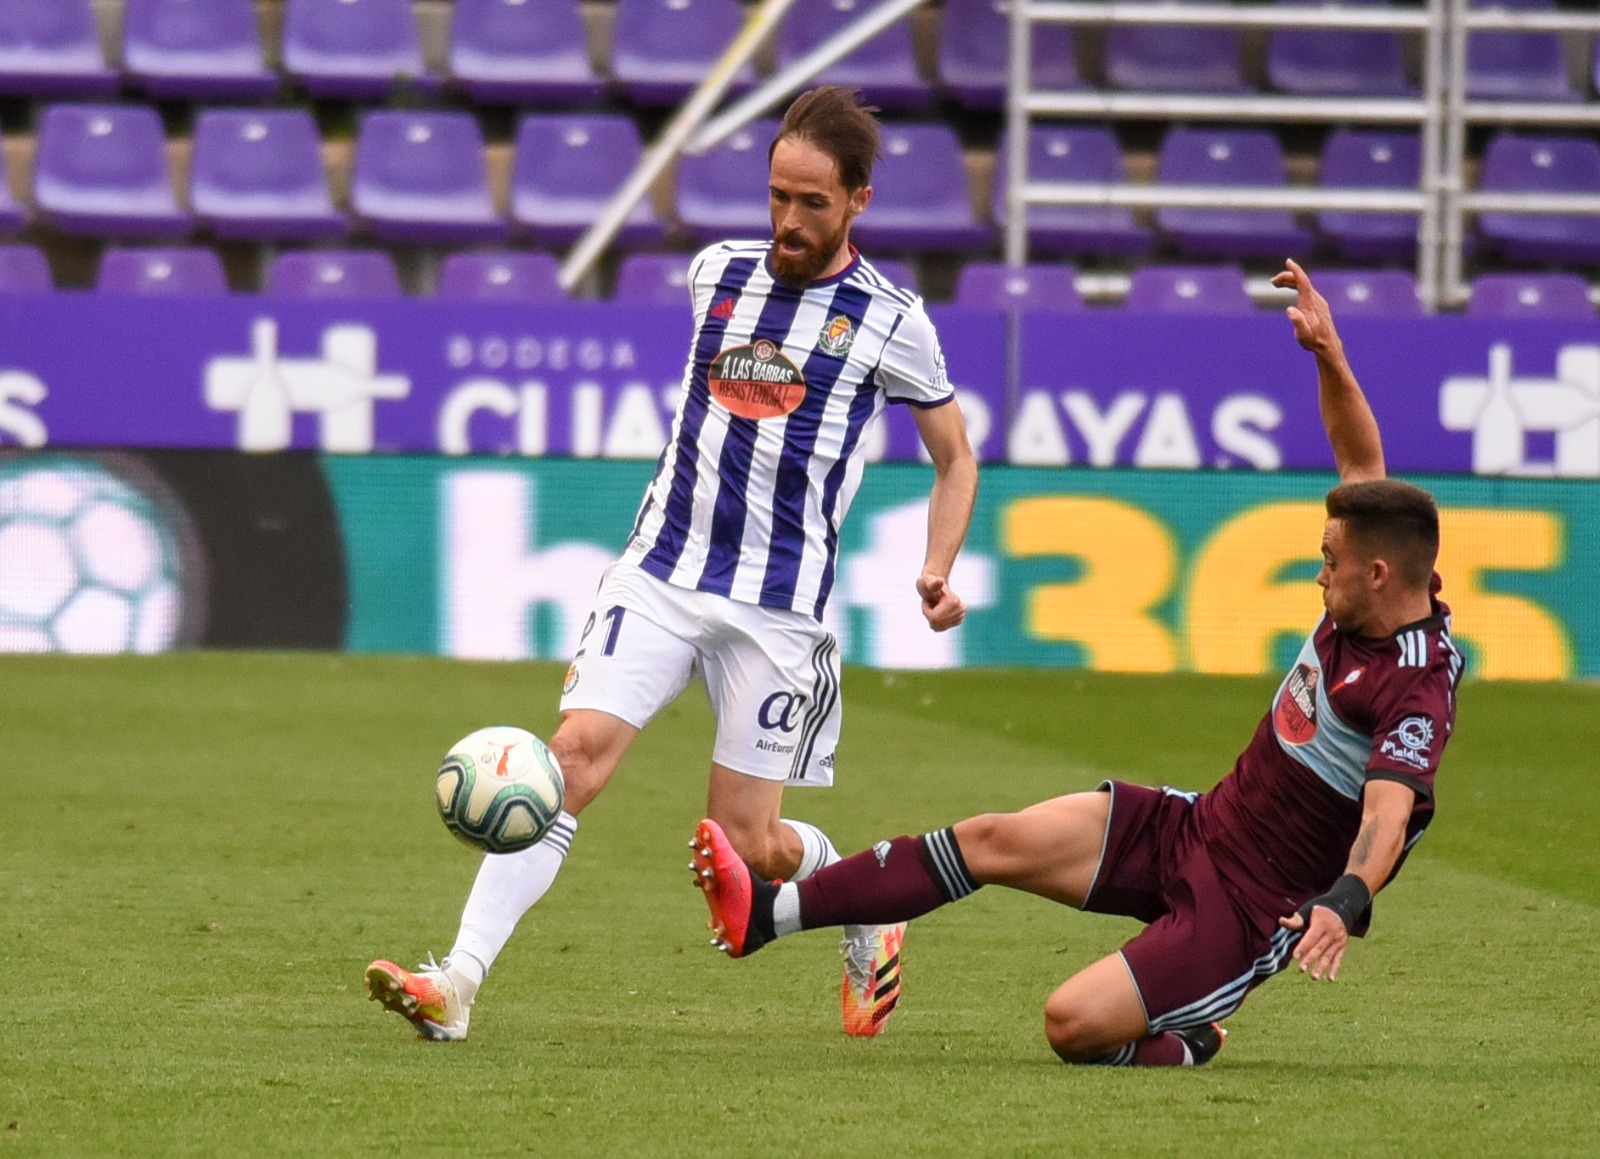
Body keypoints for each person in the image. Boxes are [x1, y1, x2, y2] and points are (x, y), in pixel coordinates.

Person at [690, 259, 1464, 1062]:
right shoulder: (1377, 578)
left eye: (1329, 560)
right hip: (1197, 825)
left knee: (1071, 1024)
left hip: (1250, 907)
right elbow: (1359, 464)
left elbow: (1386, 815)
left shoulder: (1415, 686)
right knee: (990, 837)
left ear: (1379, 574)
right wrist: (1328, 352)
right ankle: (763, 917)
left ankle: (1189, 1038)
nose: (1318, 571)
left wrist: (1343, 902)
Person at [366, 86, 978, 1041]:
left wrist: (938, 566)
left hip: (777, 613)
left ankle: (867, 901)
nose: (788, 219)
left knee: (750, 842)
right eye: (778, 195)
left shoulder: (892, 320)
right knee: (569, 763)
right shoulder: (716, 274)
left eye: (813, 202)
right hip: (659, 574)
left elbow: (955, 457)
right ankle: (457, 983)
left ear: (858, 199)